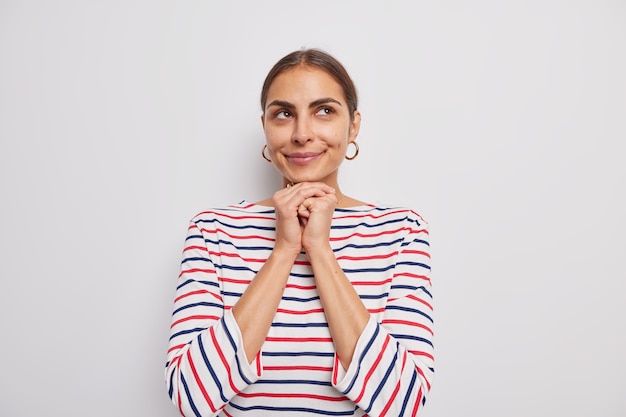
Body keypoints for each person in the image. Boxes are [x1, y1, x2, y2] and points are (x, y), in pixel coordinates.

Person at [165, 48, 434, 417]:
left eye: (324, 111)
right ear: (265, 126)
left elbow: (402, 403)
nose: (302, 134)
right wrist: (284, 250)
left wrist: (320, 251)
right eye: (284, 114)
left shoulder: (401, 231)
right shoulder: (213, 231)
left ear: (353, 125)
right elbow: (190, 395)